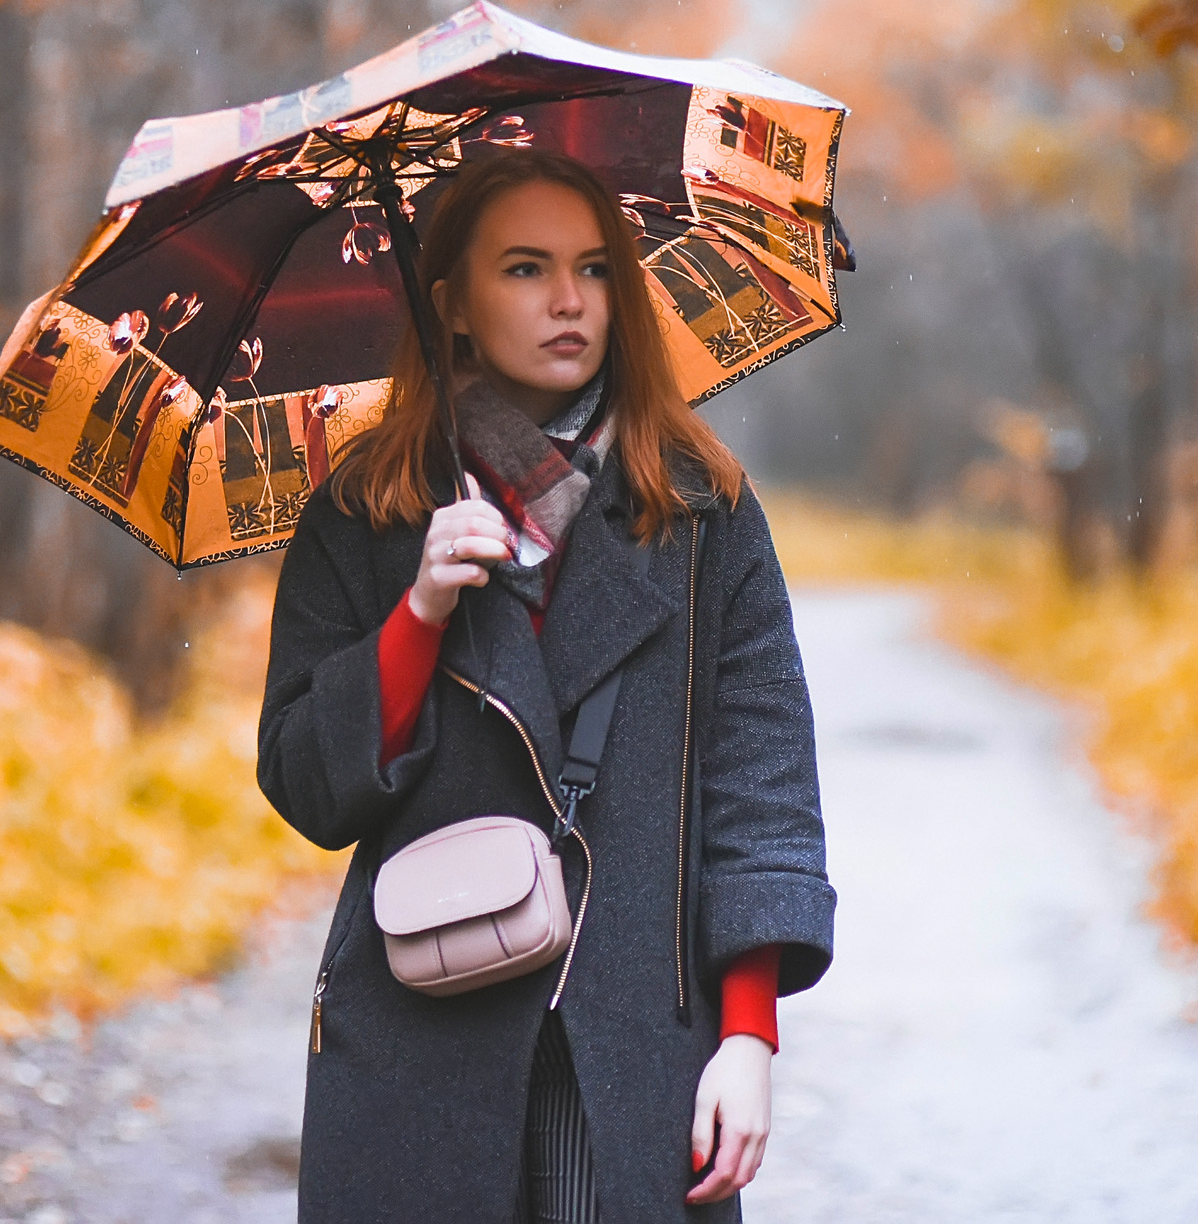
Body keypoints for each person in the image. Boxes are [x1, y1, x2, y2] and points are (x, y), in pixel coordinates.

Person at [258, 147, 834, 1223]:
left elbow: (761, 789)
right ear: (453, 306)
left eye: (594, 267)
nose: (569, 300)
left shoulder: (702, 511)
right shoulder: (367, 510)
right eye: (524, 268)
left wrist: (745, 1034)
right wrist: (419, 611)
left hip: (633, 1042)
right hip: (421, 1041)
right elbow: (307, 786)